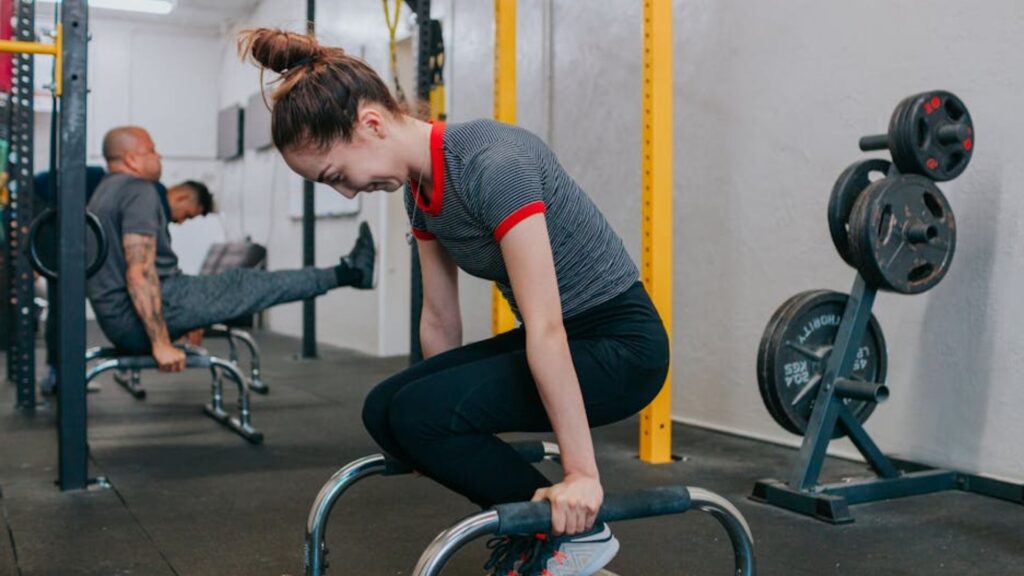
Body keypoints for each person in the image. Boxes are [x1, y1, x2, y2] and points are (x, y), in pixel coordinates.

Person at [239, 29, 670, 576]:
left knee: (420, 414)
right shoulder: (421, 194)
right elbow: (440, 318)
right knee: (387, 410)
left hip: (621, 348)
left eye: (338, 175)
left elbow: (546, 327)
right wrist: (432, 443)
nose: (347, 193)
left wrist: (581, 474)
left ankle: (579, 538)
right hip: (568, 337)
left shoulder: (494, 162)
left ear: (371, 124)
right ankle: (540, 530)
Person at [87, 126, 376, 371]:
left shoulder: (104, 192)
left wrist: (191, 314)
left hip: (121, 320)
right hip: (142, 316)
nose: (158, 155)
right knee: (248, 283)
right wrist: (161, 342)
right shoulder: (139, 191)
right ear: (133, 159)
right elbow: (139, 272)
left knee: (234, 285)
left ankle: (348, 271)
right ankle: (349, 272)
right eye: (152, 150)